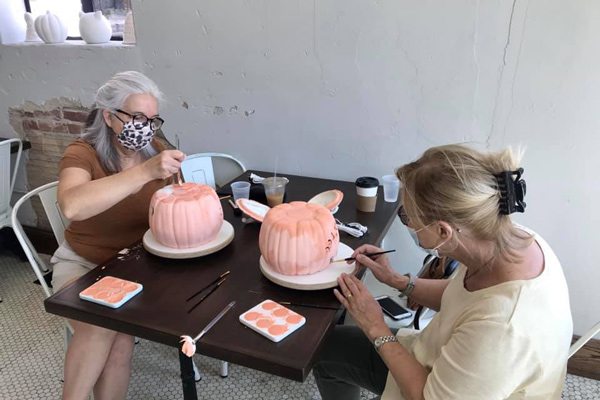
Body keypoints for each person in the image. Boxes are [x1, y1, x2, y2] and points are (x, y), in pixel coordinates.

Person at [313, 144, 573, 400]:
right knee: (326, 350)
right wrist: (399, 281)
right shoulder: (510, 239)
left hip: (433, 389)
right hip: (439, 356)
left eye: (408, 218)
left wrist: (375, 327)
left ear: (443, 231)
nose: (409, 224)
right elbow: (464, 298)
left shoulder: (503, 330)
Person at [51, 71, 185, 400]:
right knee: (104, 323)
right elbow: (72, 205)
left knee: (119, 336)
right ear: (109, 117)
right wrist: (145, 172)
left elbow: (176, 203)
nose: (147, 127)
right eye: (137, 117)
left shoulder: (156, 147)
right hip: (84, 264)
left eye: (153, 119)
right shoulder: (82, 152)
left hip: (138, 266)